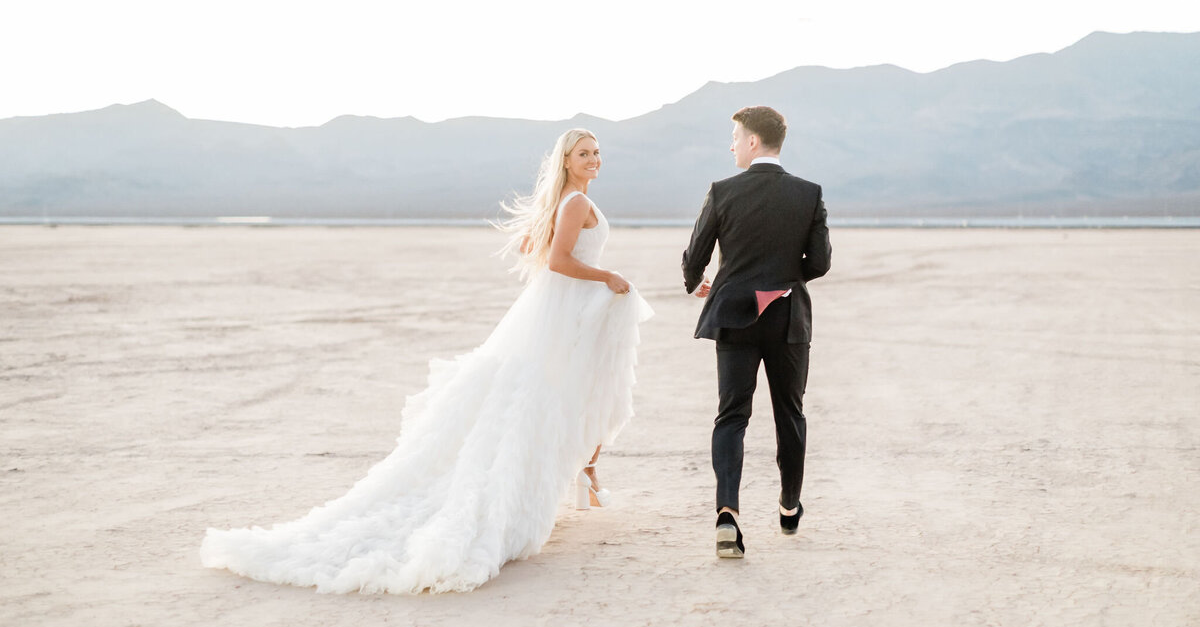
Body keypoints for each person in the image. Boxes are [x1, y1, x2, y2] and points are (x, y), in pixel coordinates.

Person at [201, 128, 652, 593]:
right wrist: (607, 275)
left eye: (597, 152)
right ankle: (578, 480)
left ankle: (587, 476)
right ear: (566, 161)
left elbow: (538, 249)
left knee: (576, 392)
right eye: (584, 153)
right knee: (559, 395)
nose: (594, 159)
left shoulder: (569, 202)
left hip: (567, 310)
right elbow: (558, 261)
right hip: (565, 310)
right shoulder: (575, 204)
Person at [682, 106, 831, 559]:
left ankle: (727, 514)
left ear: (752, 142)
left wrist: (697, 283)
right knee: (790, 414)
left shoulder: (722, 191)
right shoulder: (809, 193)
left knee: (731, 417)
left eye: (734, 136)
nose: (731, 145)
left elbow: (696, 255)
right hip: (788, 321)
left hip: (733, 314)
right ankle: (789, 506)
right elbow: (820, 263)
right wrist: (784, 280)